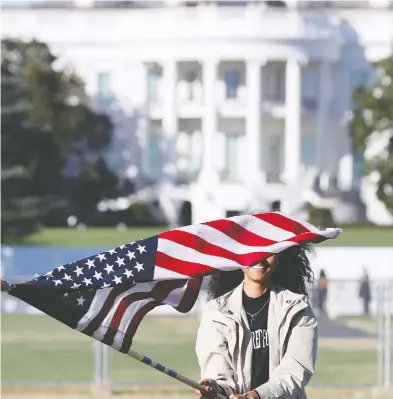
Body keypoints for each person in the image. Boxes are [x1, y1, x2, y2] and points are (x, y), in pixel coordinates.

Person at [194, 244, 318, 399]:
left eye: (268, 251)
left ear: (280, 255)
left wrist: (257, 396)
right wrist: (216, 387)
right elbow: (218, 372)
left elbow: (295, 370)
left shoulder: (297, 308)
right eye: (252, 250)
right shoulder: (217, 312)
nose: (259, 258)